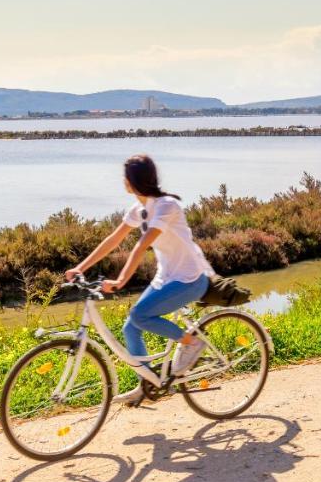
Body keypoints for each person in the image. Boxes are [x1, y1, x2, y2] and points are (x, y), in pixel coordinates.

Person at [64, 154, 214, 406]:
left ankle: (192, 342)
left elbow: (142, 244)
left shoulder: (166, 206)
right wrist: (80, 267)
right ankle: (147, 382)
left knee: (140, 316)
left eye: (125, 177)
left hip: (189, 278)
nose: (123, 181)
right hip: (166, 277)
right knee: (130, 327)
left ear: (131, 182)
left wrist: (121, 279)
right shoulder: (139, 210)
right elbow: (113, 240)